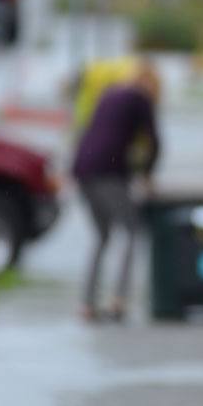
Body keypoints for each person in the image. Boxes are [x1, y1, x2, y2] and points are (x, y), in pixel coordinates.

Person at [72, 59, 161, 322]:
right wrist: (147, 175)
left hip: (82, 168)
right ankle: (118, 300)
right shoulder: (141, 99)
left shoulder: (110, 94)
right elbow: (154, 141)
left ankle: (87, 303)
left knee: (101, 235)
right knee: (132, 230)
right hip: (107, 172)